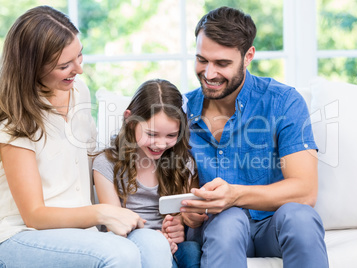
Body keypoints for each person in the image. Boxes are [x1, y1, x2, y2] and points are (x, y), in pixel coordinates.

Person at [0, 6, 172, 267]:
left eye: (79, 55)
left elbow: (95, 161)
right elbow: (33, 215)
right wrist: (103, 213)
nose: (79, 70)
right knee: (119, 253)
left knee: (155, 243)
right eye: (65, 65)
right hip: (23, 233)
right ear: (32, 68)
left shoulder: (78, 91)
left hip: (83, 231)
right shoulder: (14, 118)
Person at [180, 6, 329, 268]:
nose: (209, 73)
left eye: (222, 63)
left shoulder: (283, 102)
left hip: (274, 227)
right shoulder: (181, 112)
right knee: (228, 221)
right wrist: (187, 215)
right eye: (202, 59)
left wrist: (235, 195)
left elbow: (305, 190)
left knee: (300, 216)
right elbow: (170, 190)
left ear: (248, 56)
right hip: (219, 229)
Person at [93, 79, 201, 268]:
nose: (160, 144)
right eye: (151, 134)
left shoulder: (183, 163)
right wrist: (155, 238)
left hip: (171, 248)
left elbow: (181, 214)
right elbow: (114, 223)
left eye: (170, 136)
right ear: (130, 119)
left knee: (192, 251)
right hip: (128, 242)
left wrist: (178, 224)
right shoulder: (107, 163)